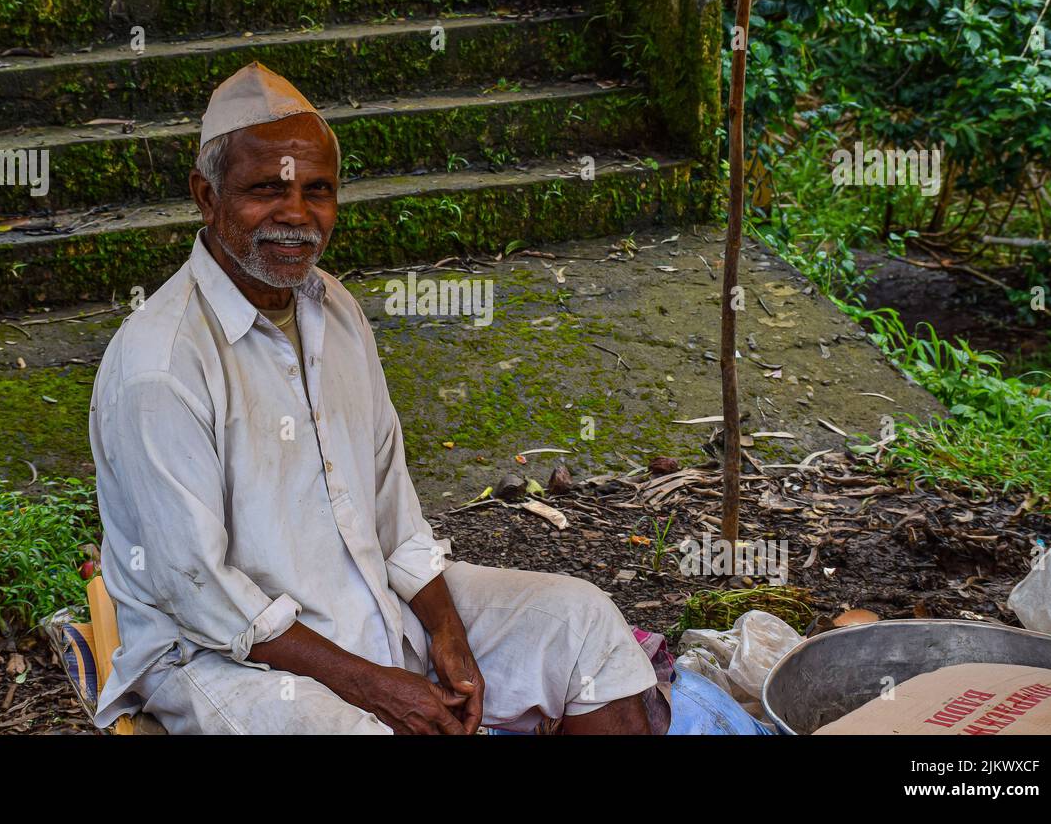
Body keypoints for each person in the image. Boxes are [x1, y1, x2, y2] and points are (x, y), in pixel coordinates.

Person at [89, 62, 667, 734]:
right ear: (205, 195)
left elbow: (392, 509)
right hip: (223, 659)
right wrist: (373, 686)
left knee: (584, 623)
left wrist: (447, 635)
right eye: (264, 191)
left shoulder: (333, 310)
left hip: (365, 599)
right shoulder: (159, 366)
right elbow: (201, 595)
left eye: (318, 190)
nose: (297, 216)